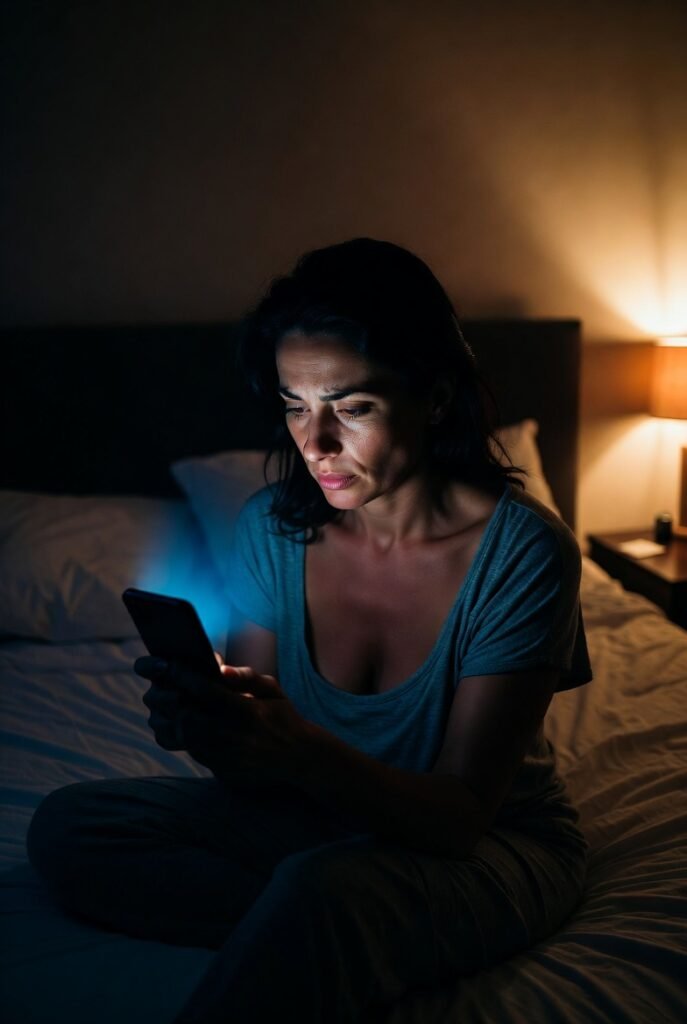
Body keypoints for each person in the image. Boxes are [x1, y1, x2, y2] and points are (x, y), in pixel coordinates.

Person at [27, 238, 592, 1023]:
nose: (314, 443)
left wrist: (294, 749)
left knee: (323, 889)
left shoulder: (522, 551)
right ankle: (341, 928)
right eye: (295, 406)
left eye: (351, 407)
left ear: (431, 396)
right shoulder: (273, 528)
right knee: (73, 826)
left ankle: (335, 920)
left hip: (484, 842)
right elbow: (257, 772)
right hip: (318, 819)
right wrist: (217, 729)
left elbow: (460, 816)